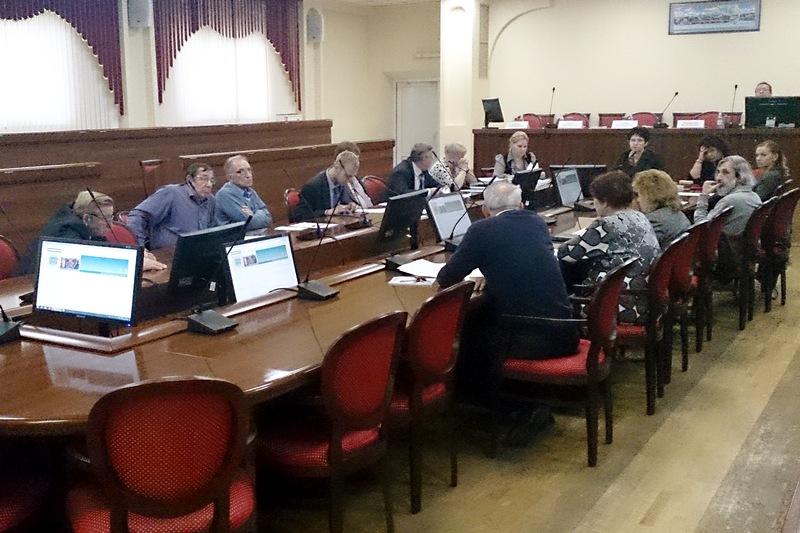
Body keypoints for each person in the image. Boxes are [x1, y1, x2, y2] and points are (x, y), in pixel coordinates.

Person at [437, 181, 578, 403]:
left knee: (468, 330)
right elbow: (518, 257)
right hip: (565, 331)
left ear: (485, 210)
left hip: (533, 340)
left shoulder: (481, 230)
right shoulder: (537, 222)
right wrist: (492, 270)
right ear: (521, 205)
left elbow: (447, 278)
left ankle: (482, 405)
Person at [558, 171, 661, 325]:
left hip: (617, 306)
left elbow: (566, 253)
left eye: (594, 199)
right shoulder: (640, 216)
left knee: (563, 278)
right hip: (644, 300)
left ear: (605, 202)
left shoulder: (606, 224)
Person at [18, 191, 165, 274]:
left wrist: (134, 254)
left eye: (111, 217)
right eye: (106, 218)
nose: (111, 224)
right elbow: (80, 264)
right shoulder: (65, 233)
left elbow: (102, 251)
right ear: (87, 218)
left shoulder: (83, 225)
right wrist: (133, 265)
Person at [694, 155, 762, 276]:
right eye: (718, 172)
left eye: (725, 173)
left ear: (739, 177)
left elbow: (700, 227)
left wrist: (703, 196)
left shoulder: (730, 200)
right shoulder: (754, 196)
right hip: (741, 251)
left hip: (724, 256)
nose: (718, 178)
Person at [126, 163, 216, 250]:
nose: (209, 185)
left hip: (197, 252)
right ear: (190, 179)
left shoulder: (210, 200)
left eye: (212, 180)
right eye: (204, 179)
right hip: (166, 253)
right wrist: (140, 249)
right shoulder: (171, 193)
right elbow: (137, 217)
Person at [294, 150, 372, 222]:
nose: (349, 180)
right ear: (337, 166)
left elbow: (344, 205)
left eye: (352, 176)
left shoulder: (343, 182)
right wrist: (327, 212)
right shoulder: (313, 186)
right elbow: (299, 216)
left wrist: (351, 206)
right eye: (347, 176)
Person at [632, 170, 690, 249]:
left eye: (638, 195)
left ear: (650, 195)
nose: (637, 200)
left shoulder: (654, 221)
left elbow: (637, 249)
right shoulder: (677, 213)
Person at [213, 155, 272, 229]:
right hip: (235, 236)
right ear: (230, 177)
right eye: (240, 172)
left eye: (249, 170)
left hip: (255, 233)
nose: (248, 175)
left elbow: (268, 217)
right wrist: (259, 214)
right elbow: (248, 222)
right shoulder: (224, 195)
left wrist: (254, 215)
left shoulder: (250, 191)